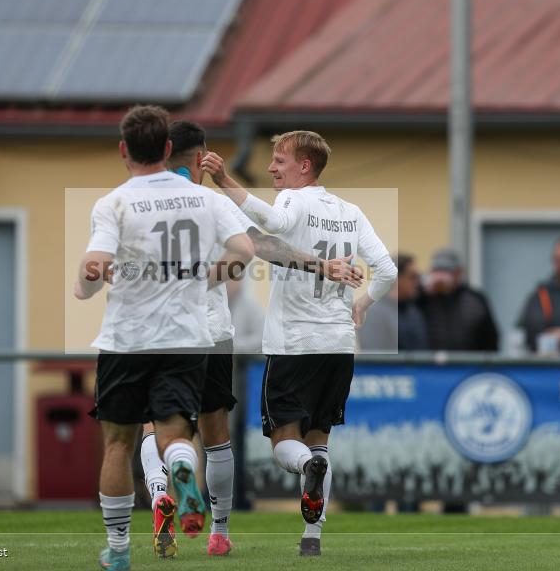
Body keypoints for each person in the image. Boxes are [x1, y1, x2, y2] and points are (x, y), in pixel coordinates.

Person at [138, 120, 359, 559]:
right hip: (213, 332)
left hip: (157, 332)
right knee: (216, 436)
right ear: (201, 158)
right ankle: (219, 532)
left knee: (155, 427)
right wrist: (320, 265)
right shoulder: (216, 204)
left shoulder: (133, 203)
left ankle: (162, 489)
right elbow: (259, 246)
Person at [74, 105, 255, 571]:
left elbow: (95, 267)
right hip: (188, 338)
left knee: (119, 443)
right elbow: (245, 250)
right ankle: (181, 469)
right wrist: (209, 278)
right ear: (169, 149)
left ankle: (117, 551)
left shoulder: (113, 202)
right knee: (178, 432)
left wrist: (88, 282)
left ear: (123, 151)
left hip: (127, 339)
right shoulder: (206, 199)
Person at [202, 130, 397, 557]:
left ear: (304, 166)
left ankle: (307, 467)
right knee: (320, 441)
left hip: (294, 343)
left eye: (279, 160)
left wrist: (226, 183)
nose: (272, 167)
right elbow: (386, 269)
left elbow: (271, 225)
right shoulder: (351, 212)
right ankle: (312, 538)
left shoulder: (295, 199)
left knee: (285, 446)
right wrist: (361, 303)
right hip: (339, 346)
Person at [417, 248, 499, 351]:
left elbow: (490, 338)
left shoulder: (476, 299)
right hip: (430, 365)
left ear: (458, 273)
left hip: (468, 364)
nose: (440, 277)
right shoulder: (422, 299)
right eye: (436, 271)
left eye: (446, 271)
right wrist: (422, 291)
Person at [358, 253, 428, 352]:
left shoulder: (413, 311)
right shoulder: (374, 313)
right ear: (396, 278)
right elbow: (373, 357)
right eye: (412, 277)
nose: (417, 282)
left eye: (418, 277)